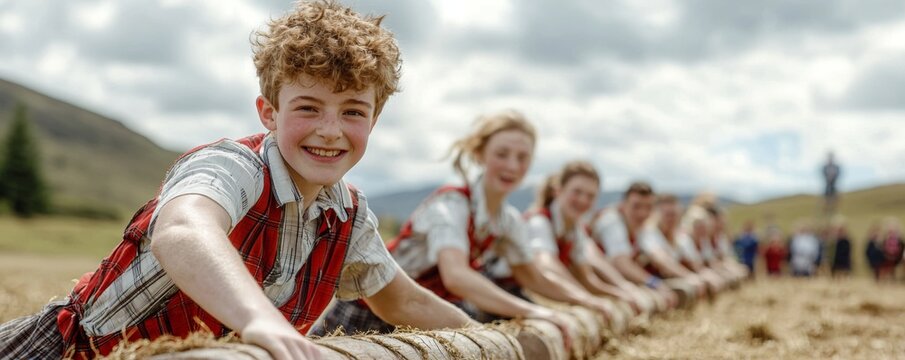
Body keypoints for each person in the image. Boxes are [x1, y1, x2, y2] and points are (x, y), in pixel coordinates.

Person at [0, 2, 477, 359]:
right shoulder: (234, 166)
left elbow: (400, 298)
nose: (330, 130)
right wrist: (261, 322)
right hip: (69, 351)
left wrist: (487, 339)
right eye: (308, 107)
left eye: (353, 111)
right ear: (268, 112)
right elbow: (184, 230)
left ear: (372, 123)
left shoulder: (348, 215)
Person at [312, 110, 578, 341]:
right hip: (371, 310)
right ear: (479, 154)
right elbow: (457, 276)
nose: (512, 165)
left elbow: (532, 276)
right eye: (502, 154)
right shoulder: (451, 205)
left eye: (522, 158)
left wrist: (585, 302)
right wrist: (532, 311)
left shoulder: (507, 220)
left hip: (426, 312)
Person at [523, 161, 642, 326]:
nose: (583, 200)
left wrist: (618, 294)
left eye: (590, 196)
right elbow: (546, 263)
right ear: (558, 191)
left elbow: (587, 279)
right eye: (577, 192)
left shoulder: (575, 230)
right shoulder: (539, 221)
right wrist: (585, 298)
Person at [589, 182, 679, 310]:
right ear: (623, 205)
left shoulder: (641, 228)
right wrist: (654, 283)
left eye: (648, 207)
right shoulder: (611, 221)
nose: (642, 213)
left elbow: (658, 255)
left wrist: (689, 276)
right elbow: (621, 263)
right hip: (595, 284)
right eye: (636, 206)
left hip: (611, 283)